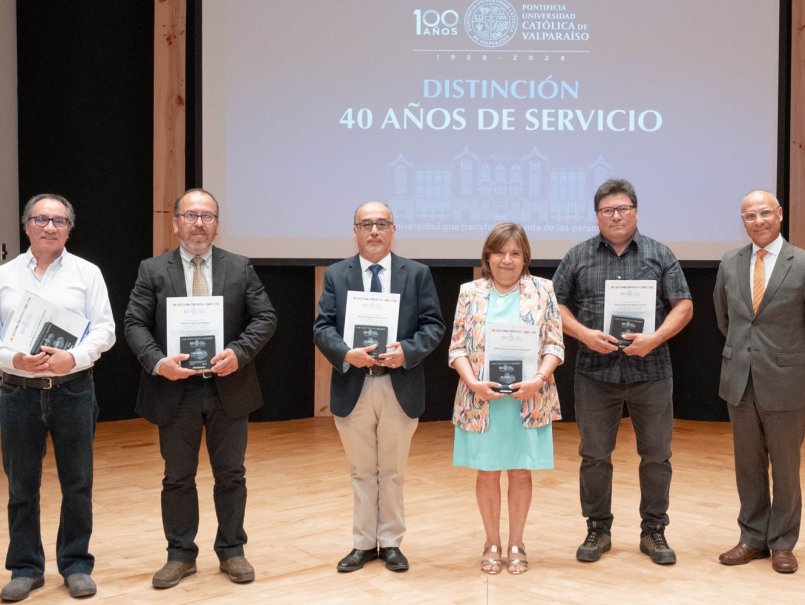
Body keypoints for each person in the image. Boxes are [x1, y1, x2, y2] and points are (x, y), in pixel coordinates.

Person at [124, 188, 276, 588]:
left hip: (229, 386)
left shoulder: (240, 267)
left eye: (207, 216)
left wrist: (238, 353)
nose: (198, 223)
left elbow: (265, 318)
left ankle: (232, 551)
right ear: (175, 223)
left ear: (217, 224)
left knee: (231, 475)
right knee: (177, 476)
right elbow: (134, 324)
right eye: (190, 215)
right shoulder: (152, 270)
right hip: (176, 390)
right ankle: (179, 554)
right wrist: (159, 362)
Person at [552, 178, 693, 565]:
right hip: (595, 372)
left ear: (635, 211)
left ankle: (654, 531)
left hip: (651, 370)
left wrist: (655, 338)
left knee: (656, 455)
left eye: (622, 209)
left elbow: (683, 305)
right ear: (596, 215)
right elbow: (555, 305)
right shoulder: (577, 256)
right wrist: (583, 334)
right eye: (607, 210)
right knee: (594, 455)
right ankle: (598, 529)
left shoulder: (659, 254)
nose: (615, 216)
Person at [313, 201, 445, 573]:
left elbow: (433, 325)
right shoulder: (338, 275)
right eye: (366, 224)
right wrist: (346, 353)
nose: (373, 231)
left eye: (381, 224)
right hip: (353, 385)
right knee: (361, 471)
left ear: (393, 229)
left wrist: (408, 352)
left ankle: (390, 542)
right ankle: (362, 543)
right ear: (354, 231)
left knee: (393, 471)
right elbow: (322, 328)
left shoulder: (416, 273)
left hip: (398, 385)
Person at [0, 194, 115, 600]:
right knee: (21, 487)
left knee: (78, 483)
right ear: (26, 224)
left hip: (74, 390)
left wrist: (74, 357)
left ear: (70, 228)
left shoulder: (88, 274)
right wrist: (12, 357)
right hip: (17, 392)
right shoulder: (5, 276)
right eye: (41, 219)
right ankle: (25, 568)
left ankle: (76, 564)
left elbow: (105, 330)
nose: (50, 227)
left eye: (59, 221)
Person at [448, 223, 564, 575]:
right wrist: (473, 384)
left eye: (515, 253)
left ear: (525, 257)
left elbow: (554, 344)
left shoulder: (543, 290)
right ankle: (491, 542)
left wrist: (539, 380)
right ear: (487, 257)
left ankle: (516, 543)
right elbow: (457, 348)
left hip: (527, 399)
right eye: (499, 252)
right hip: (482, 400)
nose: (507, 259)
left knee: (520, 472)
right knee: (486, 473)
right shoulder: (470, 292)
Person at [713, 190, 805, 574]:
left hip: (786, 380)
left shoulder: (800, 263)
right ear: (743, 220)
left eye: (765, 213)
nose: (758, 221)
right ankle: (752, 537)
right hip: (740, 381)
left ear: (780, 215)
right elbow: (725, 318)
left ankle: (782, 542)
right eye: (750, 216)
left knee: (785, 467)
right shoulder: (729, 263)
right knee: (747, 465)